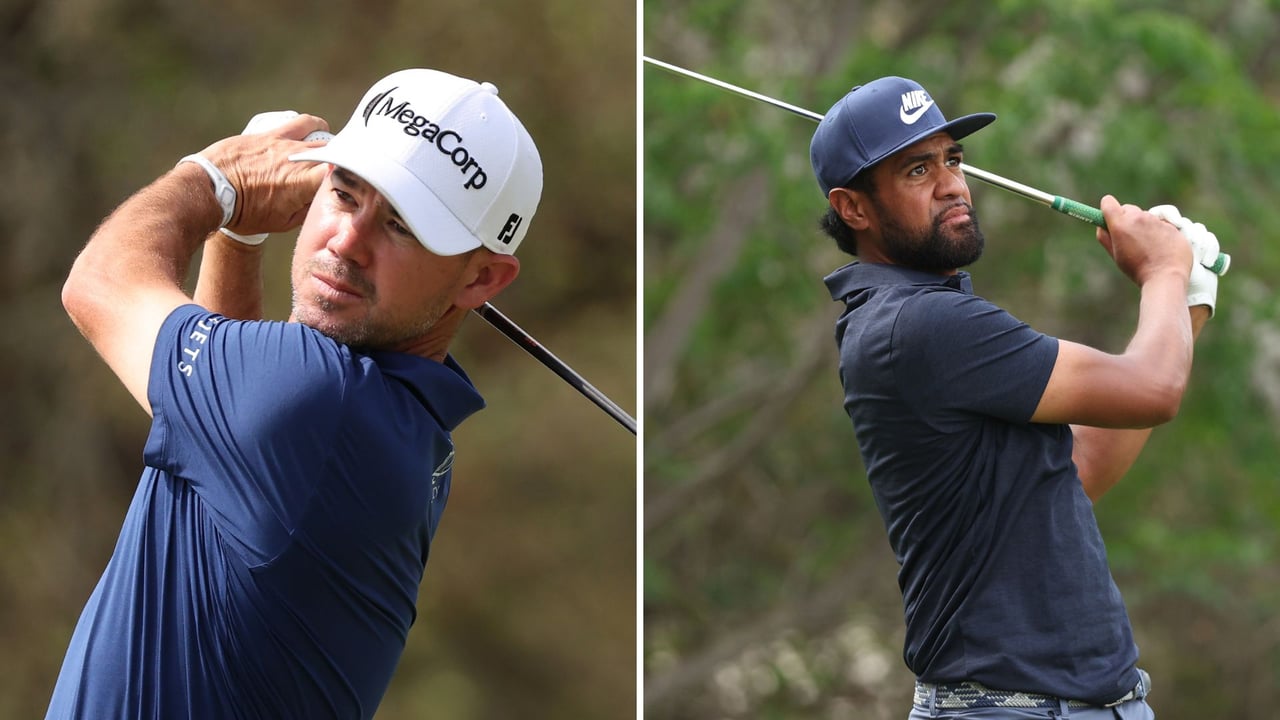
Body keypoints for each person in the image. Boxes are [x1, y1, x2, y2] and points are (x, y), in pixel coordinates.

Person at [50, 68, 542, 719]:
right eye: (343, 192)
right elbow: (221, 435)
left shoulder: (318, 402)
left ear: (481, 278)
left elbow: (98, 283)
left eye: (400, 226)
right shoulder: (402, 423)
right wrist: (238, 232)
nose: (346, 242)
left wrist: (216, 178)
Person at [810, 76, 1220, 719]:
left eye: (953, 159)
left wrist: (1188, 301)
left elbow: (1079, 469)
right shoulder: (918, 325)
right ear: (854, 208)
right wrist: (1164, 272)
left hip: (1092, 704)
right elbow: (1154, 389)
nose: (951, 183)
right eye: (918, 169)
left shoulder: (932, 317)